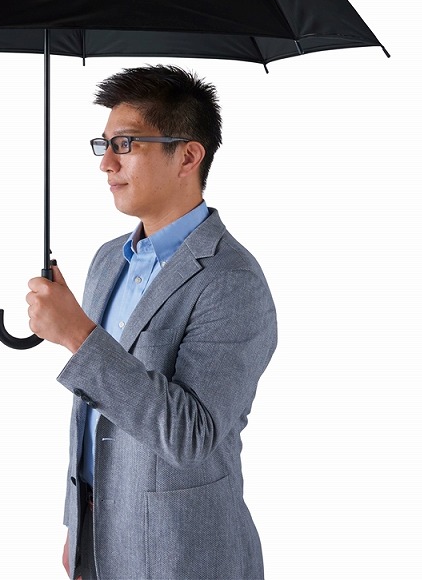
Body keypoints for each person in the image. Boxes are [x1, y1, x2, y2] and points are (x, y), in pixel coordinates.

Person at [26, 65, 277, 580]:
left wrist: (77, 335)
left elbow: (191, 435)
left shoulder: (232, 281)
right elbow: (96, 414)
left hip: (183, 556)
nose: (107, 163)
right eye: (104, 144)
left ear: (187, 156)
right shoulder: (107, 260)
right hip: (100, 540)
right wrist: (80, 525)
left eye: (125, 144)